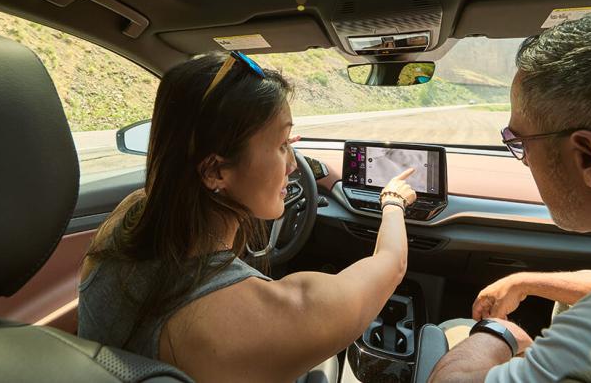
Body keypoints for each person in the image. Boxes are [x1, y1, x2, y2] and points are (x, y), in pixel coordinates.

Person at [78, 51, 417, 382]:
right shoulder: (273, 316)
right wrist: (392, 201)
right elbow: (391, 263)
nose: (293, 165)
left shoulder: (129, 216)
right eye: (282, 144)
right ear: (215, 171)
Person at [429, 3, 591, 382]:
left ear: (588, 157)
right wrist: (527, 281)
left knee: (450, 331)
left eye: (518, 140)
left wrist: (499, 333)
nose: (523, 160)